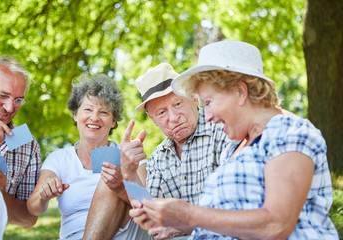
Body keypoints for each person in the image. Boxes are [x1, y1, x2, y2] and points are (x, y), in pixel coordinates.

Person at [130, 41, 339, 239]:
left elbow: (276, 225)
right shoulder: (234, 147)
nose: (208, 115)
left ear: (240, 92)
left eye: (209, 102)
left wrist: (188, 215)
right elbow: (222, 221)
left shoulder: (288, 132)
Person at [86, 63, 230, 240]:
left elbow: (238, 207)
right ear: (152, 118)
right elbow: (150, 213)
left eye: (178, 104)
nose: (173, 118)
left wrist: (185, 226)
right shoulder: (158, 157)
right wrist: (129, 173)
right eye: (161, 113)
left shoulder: (223, 132)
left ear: (194, 98)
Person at [27, 73, 150, 240]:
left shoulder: (130, 155)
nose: (94, 117)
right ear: (75, 115)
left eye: (104, 112)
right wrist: (44, 194)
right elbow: (33, 208)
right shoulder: (59, 159)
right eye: (88, 109)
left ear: (114, 121)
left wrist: (121, 186)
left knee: (110, 179)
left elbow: (149, 207)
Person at [0, 55, 41, 228]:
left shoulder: (28, 144)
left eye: (18, 100)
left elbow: (29, 220)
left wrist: (1, 194)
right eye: (2, 95)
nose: (9, 108)